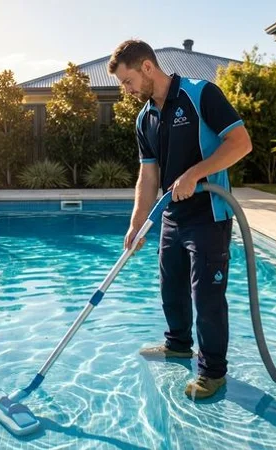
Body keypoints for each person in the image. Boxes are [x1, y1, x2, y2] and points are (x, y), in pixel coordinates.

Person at [108, 39, 252, 400]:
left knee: (207, 298)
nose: (126, 91)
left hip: (209, 215)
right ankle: (177, 345)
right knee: (170, 287)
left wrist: (195, 174)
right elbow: (149, 175)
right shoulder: (145, 118)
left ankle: (213, 373)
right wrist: (137, 221)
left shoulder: (200, 94)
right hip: (171, 217)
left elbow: (240, 143)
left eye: (127, 82)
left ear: (146, 67)